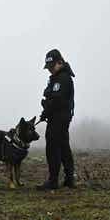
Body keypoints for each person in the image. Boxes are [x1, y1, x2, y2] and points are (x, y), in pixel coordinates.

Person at [37, 49, 76, 191]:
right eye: (48, 67)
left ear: (60, 62)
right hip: (59, 116)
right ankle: (69, 179)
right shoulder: (57, 78)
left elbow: (57, 100)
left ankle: (53, 181)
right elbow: (52, 97)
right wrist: (46, 109)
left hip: (59, 117)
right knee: (64, 146)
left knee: (53, 147)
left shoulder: (63, 78)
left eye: (52, 66)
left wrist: (47, 109)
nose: (50, 70)